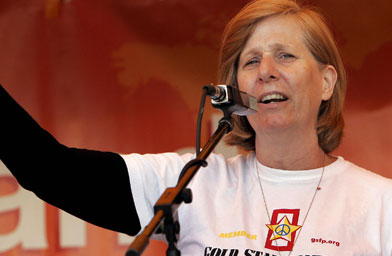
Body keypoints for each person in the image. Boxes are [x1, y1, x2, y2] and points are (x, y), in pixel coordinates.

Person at [1, 0, 392, 255]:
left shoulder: (380, 204)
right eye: (251, 62)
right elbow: (49, 170)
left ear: (326, 82)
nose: (267, 72)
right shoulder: (191, 183)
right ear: (234, 88)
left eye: (285, 56)